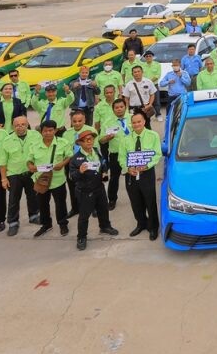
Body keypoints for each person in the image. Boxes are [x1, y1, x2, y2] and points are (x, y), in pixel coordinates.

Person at [68, 129, 119, 250]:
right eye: (86, 140)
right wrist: (80, 171)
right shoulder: (75, 159)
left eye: (91, 139)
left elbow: (103, 163)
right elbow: (72, 177)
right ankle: (81, 237)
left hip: (99, 188)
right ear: (80, 142)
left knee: (103, 209)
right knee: (84, 216)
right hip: (85, 191)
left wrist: (105, 172)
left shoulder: (96, 151)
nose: (90, 142)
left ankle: (105, 226)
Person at [121, 112, 162, 241]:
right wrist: (128, 168)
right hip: (131, 174)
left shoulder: (153, 136)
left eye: (139, 121)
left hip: (147, 173)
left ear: (144, 122)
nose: (136, 124)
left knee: (150, 200)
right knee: (135, 201)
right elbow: (121, 157)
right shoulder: (125, 139)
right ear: (131, 124)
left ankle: (153, 226)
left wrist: (147, 165)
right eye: (134, 122)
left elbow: (157, 154)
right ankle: (141, 223)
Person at [0, 115, 41, 236]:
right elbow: (2, 162)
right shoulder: (7, 140)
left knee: (33, 196)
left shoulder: (36, 135)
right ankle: (13, 223)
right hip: (14, 174)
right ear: (13, 126)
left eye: (22, 124)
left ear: (27, 125)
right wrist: (3, 178)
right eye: (17, 125)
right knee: (13, 200)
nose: (20, 127)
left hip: (31, 173)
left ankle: (34, 216)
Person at [29, 119, 71, 237]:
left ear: (55, 130)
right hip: (41, 181)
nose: (48, 133)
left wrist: (62, 164)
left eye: (50, 130)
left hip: (58, 180)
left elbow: (69, 156)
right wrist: (31, 166)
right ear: (41, 132)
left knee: (60, 203)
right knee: (42, 204)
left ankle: (63, 224)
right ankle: (46, 224)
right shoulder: (35, 145)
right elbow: (29, 160)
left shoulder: (63, 143)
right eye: (45, 131)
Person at [97, 99, 131, 209]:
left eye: (121, 107)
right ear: (113, 109)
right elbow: (101, 140)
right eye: (116, 107)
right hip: (115, 154)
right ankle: (112, 199)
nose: (119, 109)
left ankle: (135, 197)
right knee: (114, 178)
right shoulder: (108, 122)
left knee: (131, 176)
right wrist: (107, 138)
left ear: (125, 107)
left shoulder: (132, 118)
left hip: (131, 153)